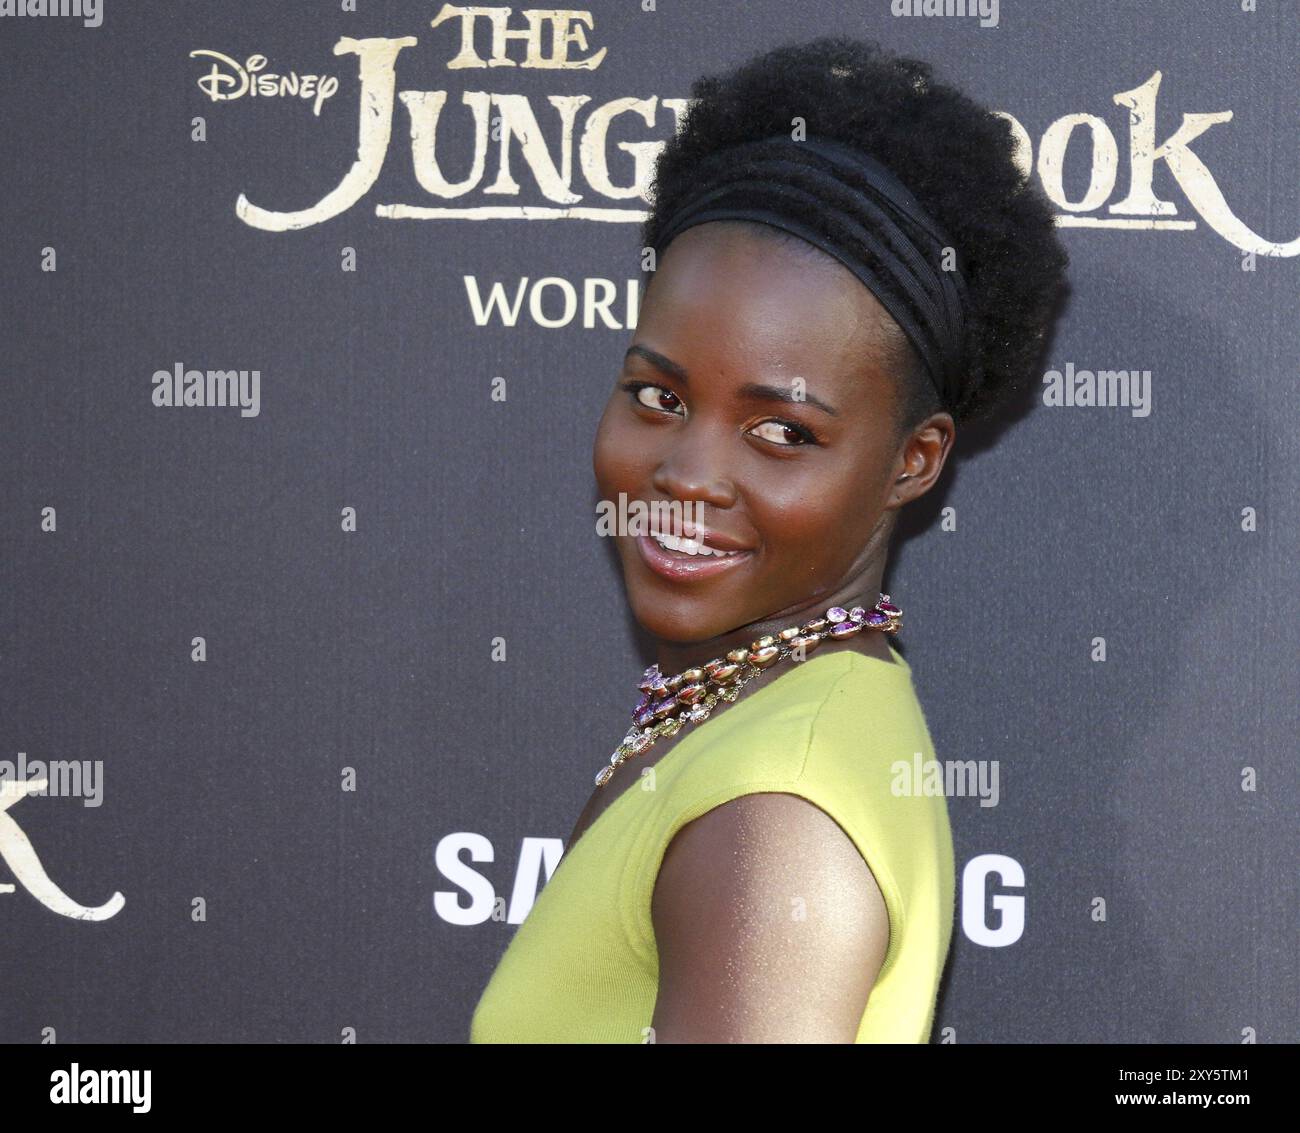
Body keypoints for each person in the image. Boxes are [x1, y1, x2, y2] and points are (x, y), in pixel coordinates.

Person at [471, 34, 1069, 1043]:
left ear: (911, 462)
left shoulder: (778, 818)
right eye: (658, 395)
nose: (688, 472)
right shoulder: (763, 711)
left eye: (782, 431)